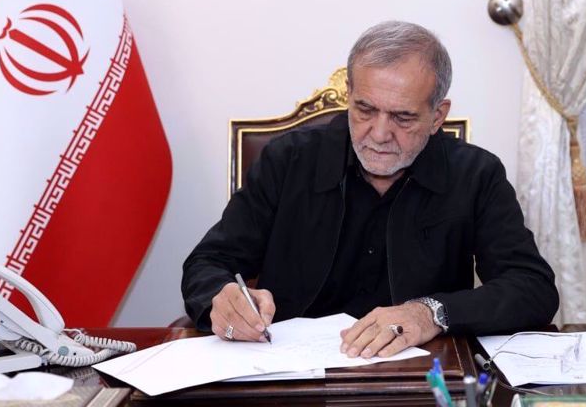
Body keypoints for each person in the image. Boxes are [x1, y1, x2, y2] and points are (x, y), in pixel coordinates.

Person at [182, 21, 558, 359]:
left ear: (437, 116)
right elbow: (208, 263)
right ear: (349, 96)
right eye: (365, 109)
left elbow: (532, 288)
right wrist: (223, 299)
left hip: (420, 381)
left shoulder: (475, 174)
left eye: (403, 117)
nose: (379, 134)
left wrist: (432, 312)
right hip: (291, 376)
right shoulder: (289, 160)